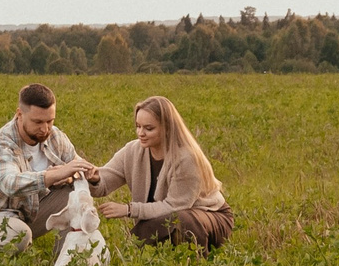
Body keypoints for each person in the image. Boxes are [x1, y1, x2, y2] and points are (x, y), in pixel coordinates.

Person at [0, 84, 100, 256]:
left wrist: (91, 177)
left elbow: (77, 167)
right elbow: (10, 184)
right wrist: (55, 174)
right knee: (18, 234)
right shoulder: (0, 144)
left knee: (76, 197)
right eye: (37, 122)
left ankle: (65, 263)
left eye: (50, 121)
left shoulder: (55, 137)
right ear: (19, 114)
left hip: (23, 215)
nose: (45, 129)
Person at [92, 94, 234, 252]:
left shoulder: (186, 158)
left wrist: (129, 210)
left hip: (210, 216)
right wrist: (94, 178)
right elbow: (103, 183)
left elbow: (174, 206)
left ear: (166, 128)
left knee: (181, 220)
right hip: (163, 217)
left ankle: (195, 265)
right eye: (138, 126)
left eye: (149, 128)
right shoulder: (132, 151)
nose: (141, 133)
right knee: (144, 235)